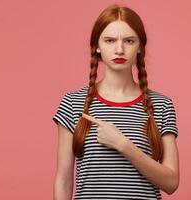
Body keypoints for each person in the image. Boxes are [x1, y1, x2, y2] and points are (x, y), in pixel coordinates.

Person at [52, 4, 179, 200]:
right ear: (97, 47)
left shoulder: (161, 105)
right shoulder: (72, 103)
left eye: (129, 41)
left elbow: (171, 183)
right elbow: (63, 180)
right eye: (110, 40)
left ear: (139, 48)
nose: (119, 49)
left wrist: (123, 145)